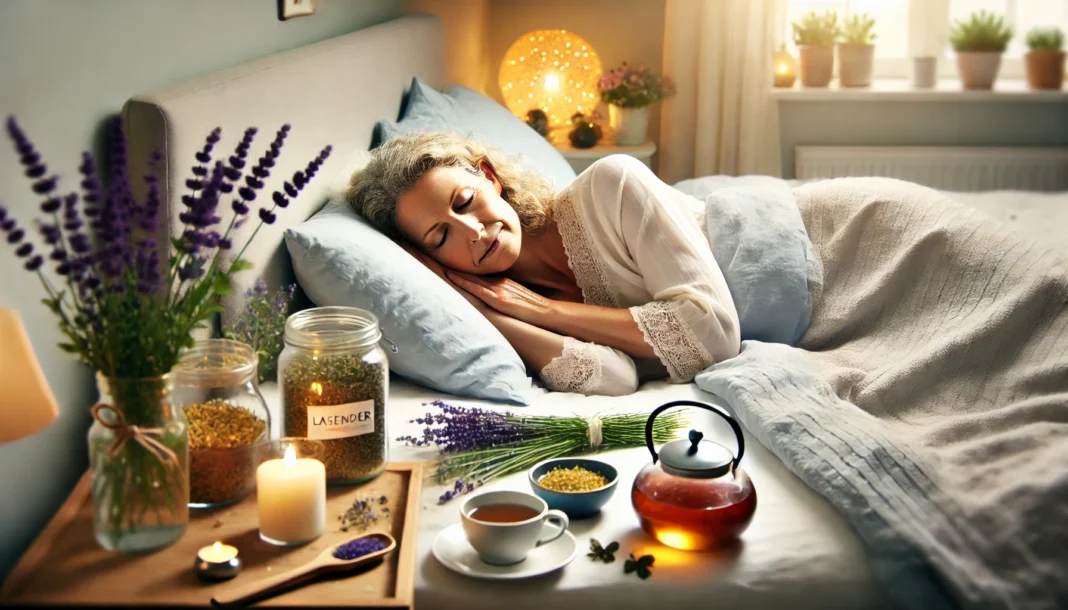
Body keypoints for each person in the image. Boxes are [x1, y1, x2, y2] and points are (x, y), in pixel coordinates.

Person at [346, 131, 741, 396]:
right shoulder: (505, 300)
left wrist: (545, 310)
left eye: (465, 201)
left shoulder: (613, 184)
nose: (473, 232)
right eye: (440, 237)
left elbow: (716, 335)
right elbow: (618, 379)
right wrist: (489, 313)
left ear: (489, 176)